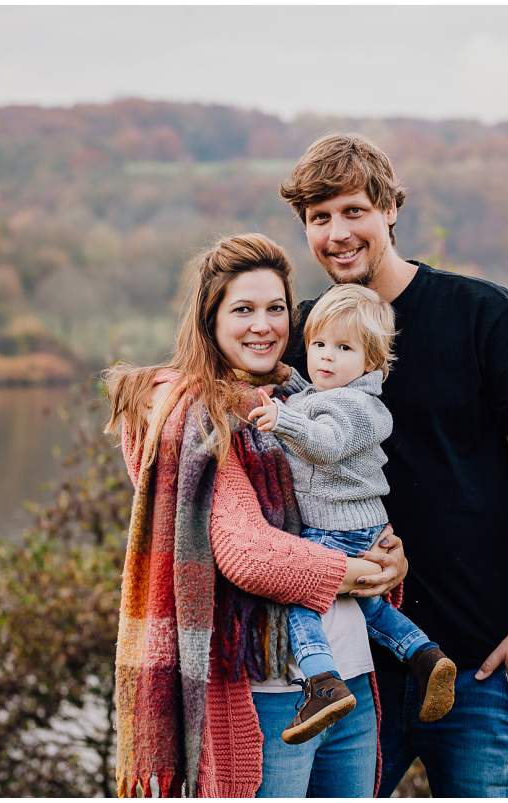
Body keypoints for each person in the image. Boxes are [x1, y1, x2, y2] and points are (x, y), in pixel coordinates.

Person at [279, 134, 508, 797]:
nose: (336, 232)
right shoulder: (306, 339)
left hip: (484, 660)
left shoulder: (480, 313)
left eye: (352, 210)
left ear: (389, 209)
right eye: (318, 218)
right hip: (355, 668)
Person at [104, 233, 408, 798]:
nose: (263, 325)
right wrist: (361, 573)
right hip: (267, 694)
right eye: (242, 310)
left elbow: (352, 497)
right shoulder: (192, 417)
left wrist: (391, 554)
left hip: (351, 678)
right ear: (209, 320)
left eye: (275, 309)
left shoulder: (303, 399)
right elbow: (249, 552)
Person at [248, 283, 457, 746]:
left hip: (339, 527)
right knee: (369, 604)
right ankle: (424, 655)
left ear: (372, 364)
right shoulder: (333, 393)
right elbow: (312, 398)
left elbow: (325, 443)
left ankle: (322, 681)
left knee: (299, 597)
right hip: (355, 525)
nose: (325, 357)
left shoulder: (364, 409)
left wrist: (281, 420)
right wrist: (286, 380)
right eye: (319, 344)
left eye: (343, 348)